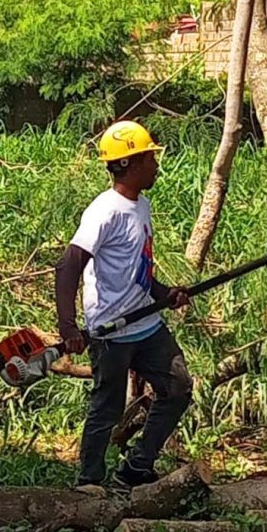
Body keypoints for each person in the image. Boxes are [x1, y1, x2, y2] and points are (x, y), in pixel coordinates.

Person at [55, 120, 193, 488]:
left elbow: (137, 269)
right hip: (111, 330)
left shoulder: (141, 205)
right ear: (130, 163)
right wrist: (68, 326)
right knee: (107, 409)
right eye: (150, 158)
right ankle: (89, 485)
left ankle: (136, 468)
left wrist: (164, 293)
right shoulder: (105, 211)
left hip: (146, 324)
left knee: (178, 388)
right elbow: (69, 265)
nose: (156, 164)